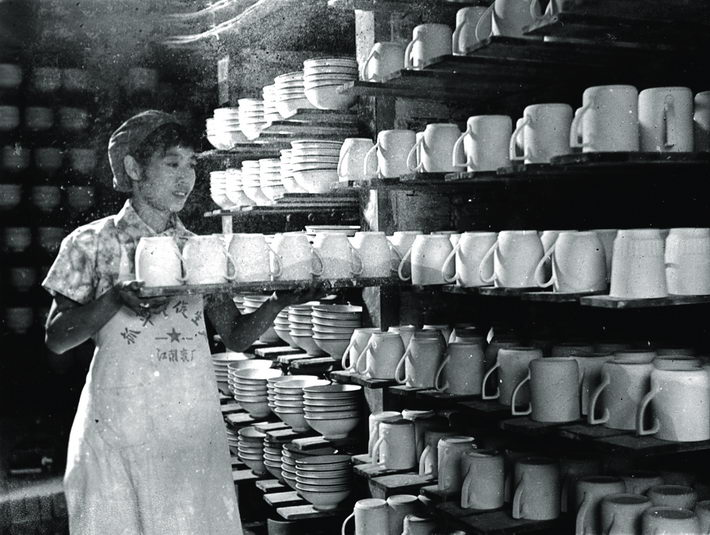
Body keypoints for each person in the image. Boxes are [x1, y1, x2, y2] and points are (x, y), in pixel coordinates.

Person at [43, 110, 319, 534]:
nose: (186, 178)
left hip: (188, 429)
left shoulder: (198, 249)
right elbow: (57, 338)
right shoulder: (91, 242)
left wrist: (279, 304)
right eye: (172, 164)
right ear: (134, 168)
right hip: (118, 426)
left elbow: (236, 336)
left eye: (191, 164)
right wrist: (114, 298)